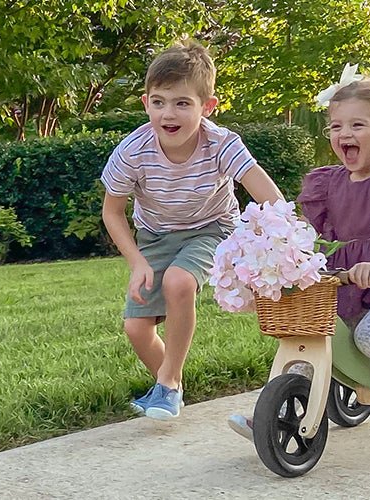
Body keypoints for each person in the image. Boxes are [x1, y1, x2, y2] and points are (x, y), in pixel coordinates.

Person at [228, 65, 370, 437]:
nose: (344, 134)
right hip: (348, 286)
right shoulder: (328, 183)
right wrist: (280, 253)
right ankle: (276, 414)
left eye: (357, 125)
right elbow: (311, 234)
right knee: (309, 335)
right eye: (336, 126)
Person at [101, 39, 284, 420]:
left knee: (179, 283)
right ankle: (171, 385)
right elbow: (113, 212)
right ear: (145, 102)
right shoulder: (132, 150)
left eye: (183, 103)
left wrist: (279, 241)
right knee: (136, 328)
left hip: (213, 227)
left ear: (207, 107)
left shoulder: (221, 143)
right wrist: (137, 262)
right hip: (155, 235)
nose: (169, 113)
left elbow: (268, 195)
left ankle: (166, 387)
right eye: (159, 101)